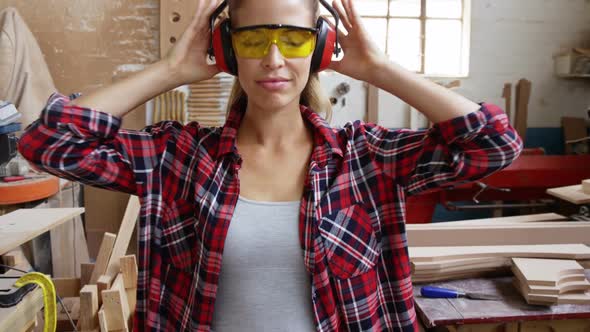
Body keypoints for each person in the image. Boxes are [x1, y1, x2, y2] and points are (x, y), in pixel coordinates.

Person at [17, 0, 523, 330]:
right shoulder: (179, 159)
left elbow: (494, 144)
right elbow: (49, 142)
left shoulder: (368, 160)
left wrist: (381, 70)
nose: (274, 58)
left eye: (295, 39)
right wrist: (172, 71)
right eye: (254, 40)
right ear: (227, 49)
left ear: (321, 48)